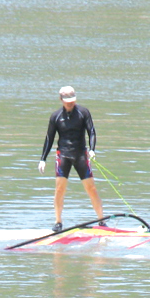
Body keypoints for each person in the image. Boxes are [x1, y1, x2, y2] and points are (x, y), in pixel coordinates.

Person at [38, 86, 104, 232]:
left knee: (91, 188)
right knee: (59, 189)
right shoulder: (55, 116)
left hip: (81, 155)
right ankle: (58, 222)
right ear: (61, 100)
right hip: (63, 155)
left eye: (72, 101)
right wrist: (43, 159)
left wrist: (92, 150)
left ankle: (101, 221)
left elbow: (91, 131)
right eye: (67, 102)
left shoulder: (83, 112)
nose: (70, 104)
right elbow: (49, 138)